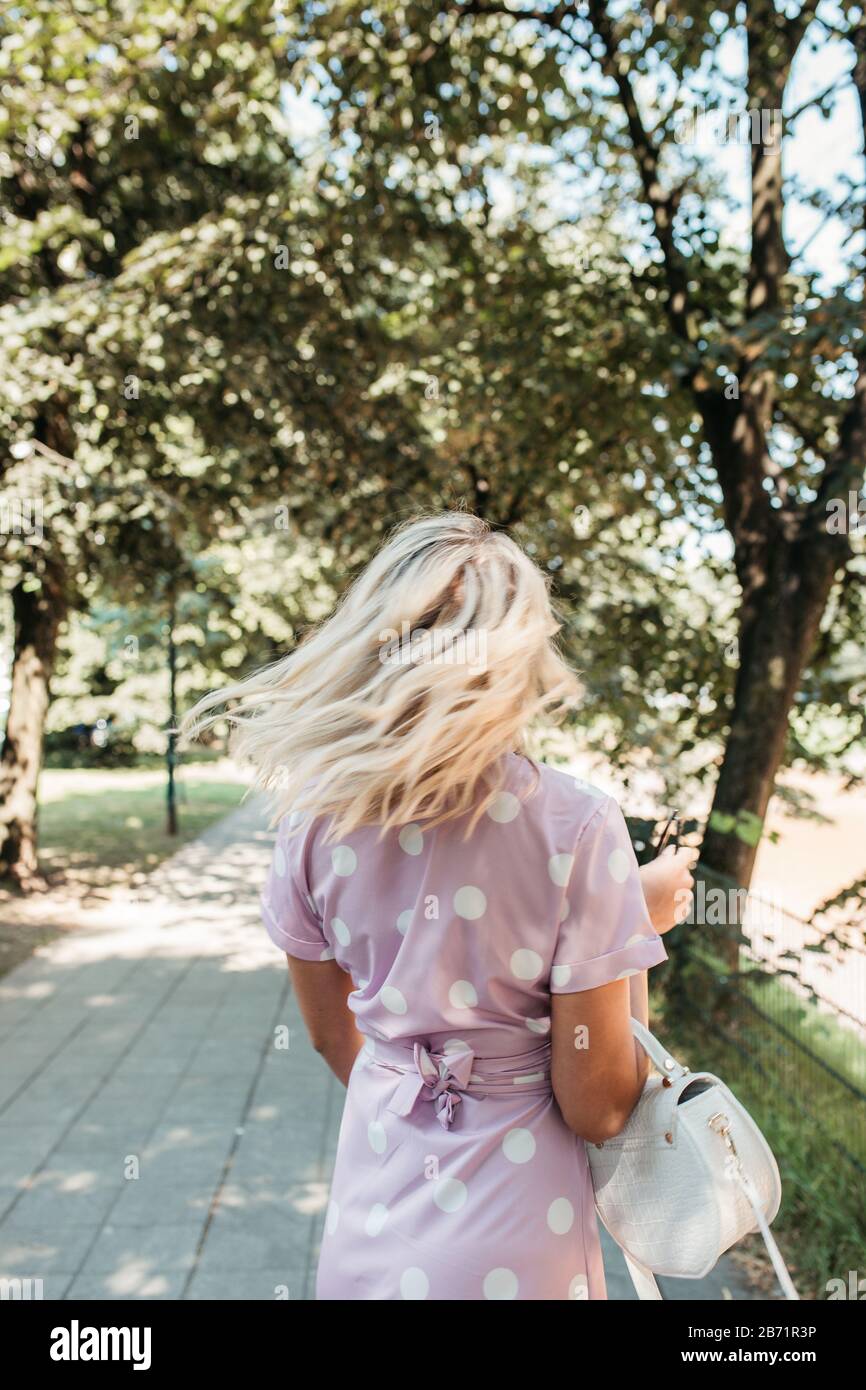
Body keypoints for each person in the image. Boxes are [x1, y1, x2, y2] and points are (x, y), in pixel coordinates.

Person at [182, 511, 696, 1300]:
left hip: (374, 1218)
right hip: (522, 1244)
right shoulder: (578, 829)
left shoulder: (312, 823)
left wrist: (428, 1089)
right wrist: (632, 919)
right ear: (517, 658)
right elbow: (601, 1104)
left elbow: (332, 1039)